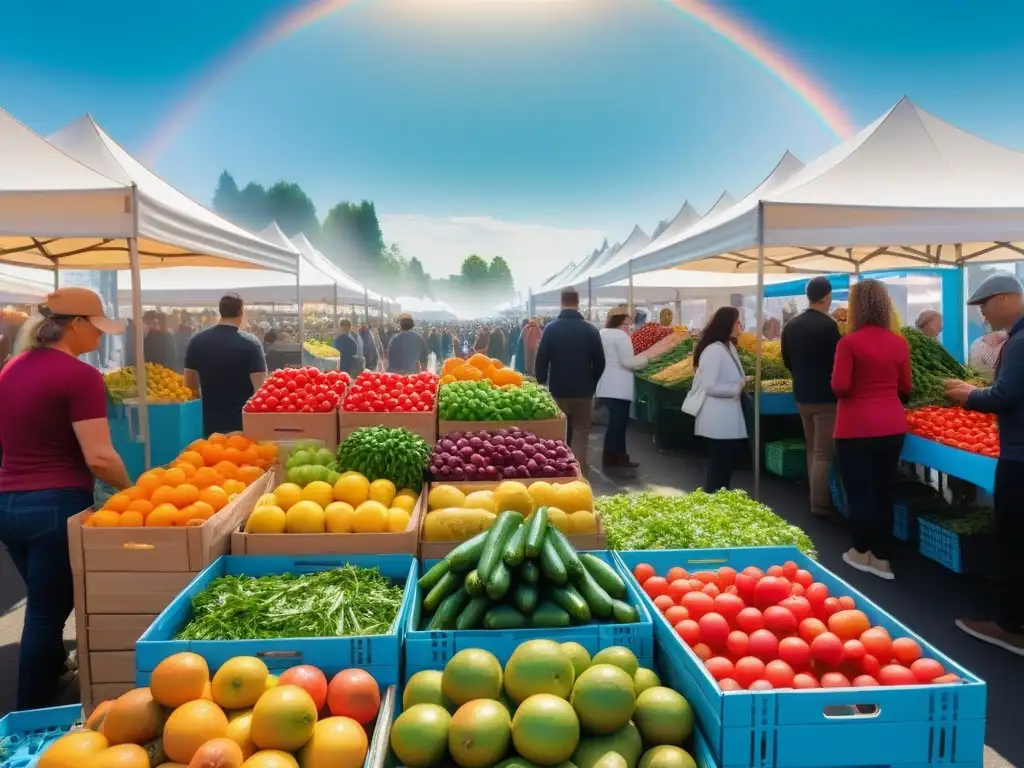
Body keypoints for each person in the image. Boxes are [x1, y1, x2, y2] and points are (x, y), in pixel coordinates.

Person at [0, 287, 131, 710]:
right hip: (55, 506)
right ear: (75, 324)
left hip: (9, 504)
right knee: (45, 615)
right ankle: (30, 716)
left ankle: (53, 679)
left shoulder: (11, 368)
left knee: (45, 604)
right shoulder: (80, 376)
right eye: (96, 326)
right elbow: (99, 456)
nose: (100, 336)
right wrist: (132, 490)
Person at [945, 273, 1024, 655]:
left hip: (1019, 457)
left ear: (1007, 298)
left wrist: (970, 395)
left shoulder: (1019, 342)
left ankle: (1011, 626)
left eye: (985, 305)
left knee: (1013, 540)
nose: (982, 315)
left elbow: (1005, 396)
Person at [831, 279, 911, 581]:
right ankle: (882, 559)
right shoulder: (899, 343)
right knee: (884, 491)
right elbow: (906, 388)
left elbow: (840, 387)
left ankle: (859, 552)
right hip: (892, 426)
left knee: (860, 492)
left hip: (855, 428)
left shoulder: (848, 343)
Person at [781, 276, 842, 518]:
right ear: (827, 296)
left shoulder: (792, 325)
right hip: (826, 397)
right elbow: (839, 362)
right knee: (824, 452)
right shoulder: (829, 326)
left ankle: (813, 496)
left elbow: (786, 360)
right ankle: (820, 504)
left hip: (802, 395)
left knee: (813, 448)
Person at [535, 290, 605, 471]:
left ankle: (560, 470)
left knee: (559, 432)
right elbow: (600, 362)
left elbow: (541, 358)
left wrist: (542, 382)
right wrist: (592, 383)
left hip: (558, 390)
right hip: (583, 390)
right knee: (581, 432)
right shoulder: (590, 329)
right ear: (578, 302)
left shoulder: (550, 328)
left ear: (561, 302)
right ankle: (579, 472)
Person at [184, 294, 267, 436]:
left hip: (208, 423)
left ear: (220, 311)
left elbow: (189, 384)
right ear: (241, 313)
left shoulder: (197, 341)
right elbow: (259, 390)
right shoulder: (251, 344)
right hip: (241, 424)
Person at [692, 306, 748, 492]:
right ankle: (713, 502)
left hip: (727, 416)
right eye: (737, 322)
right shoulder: (714, 351)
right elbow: (709, 386)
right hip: (718, 418)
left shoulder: (728, 346)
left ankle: (719, 501)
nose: (741, 326)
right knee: (719, 466)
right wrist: (737, 387)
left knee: (725, 465)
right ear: (727, 324)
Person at [596, 307, 648, 469]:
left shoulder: (602, 333)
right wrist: (645, 359)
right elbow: (628, 361)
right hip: (618, 387)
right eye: (626, 323)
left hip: (604, 385)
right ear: (619, 321)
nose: (629, 326)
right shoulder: (620, 336)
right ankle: (616, 458)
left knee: (614, 424)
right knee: (618, 425)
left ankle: (613, 456)